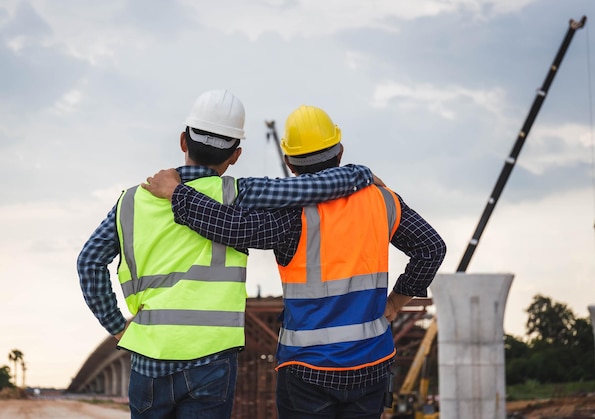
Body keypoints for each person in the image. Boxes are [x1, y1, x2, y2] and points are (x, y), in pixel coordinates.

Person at [77, 92, 378, 419]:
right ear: (235, 155)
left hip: (150, 355)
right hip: (212, 358)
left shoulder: (133, 201)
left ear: (182, 141)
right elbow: (309, 188)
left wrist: (118, 327)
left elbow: (89, 261)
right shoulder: (239, 193)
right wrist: (359, 174)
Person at [143, 105, 447, 419]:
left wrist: (179, 194)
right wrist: (396, 302)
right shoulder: (384, 200)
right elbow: (431, 248)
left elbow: (233, 227)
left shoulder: (292, 213)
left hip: (306, 370)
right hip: (371, 365)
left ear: (289, 163)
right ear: (340, 151)